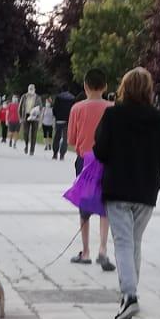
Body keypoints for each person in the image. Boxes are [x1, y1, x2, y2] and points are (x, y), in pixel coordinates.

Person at [92, 67, 160, 319]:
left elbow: (100, 151)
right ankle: (130, 294)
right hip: (146, 191)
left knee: (122, 243)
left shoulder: (112, 116)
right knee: (134, 242)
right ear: (148, 90)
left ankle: (129, 295)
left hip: (118, 189)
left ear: (124, 88)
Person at [66, 72, 115, 271]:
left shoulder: (77, 108)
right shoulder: (112, 109)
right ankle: (103, 248)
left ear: (85, 86)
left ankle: (85, 251)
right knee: (105, 205)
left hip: (85, 160)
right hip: (108, 161)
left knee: (84, 205)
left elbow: (71, 139)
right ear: (105, 87)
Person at [52, 84, 76, 161]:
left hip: (59, 120)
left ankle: (55, 154)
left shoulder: (58, 97)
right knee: (65, 138)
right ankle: (62, 154)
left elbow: (54, 109)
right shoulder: (72, 98)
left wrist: (56, 116)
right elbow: (73, 109)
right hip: (68, 120)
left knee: (57, 137)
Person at [22, 85, 40, 155]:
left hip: (35, 116)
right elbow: (20, 107)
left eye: (32, 89)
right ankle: (26, 145)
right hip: (26, 115)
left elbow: (40, 106)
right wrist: (21, 117)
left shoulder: (37, 97)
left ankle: (32, 150)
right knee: (25, 132)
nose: (31, 90)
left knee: (34, 134)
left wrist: (37, 111)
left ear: (34, 89)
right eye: (30, 89)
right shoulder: (24, 96)